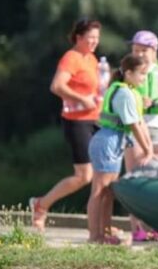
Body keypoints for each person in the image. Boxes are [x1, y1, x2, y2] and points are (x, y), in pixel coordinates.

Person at [30, 18, 104, 230]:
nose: (93, 42)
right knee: (84, 175)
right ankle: (41, 204)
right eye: (90, 38)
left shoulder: (91, 59)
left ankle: (100, 226)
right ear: (78, 37)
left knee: (102, 173)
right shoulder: (71, 57)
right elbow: (57, 86)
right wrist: (82, 99)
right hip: (77, 121)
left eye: (97, 39)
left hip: (96, 120)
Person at [86, 54, 153, 245]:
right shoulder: (123, 93)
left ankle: (104, 233)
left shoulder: (129, 91)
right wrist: (147, 150)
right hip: (107, 141)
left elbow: (139, 122)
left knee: (108, 192)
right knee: (99, 190)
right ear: (129, 73)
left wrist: (148, 148)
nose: (143, 78)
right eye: (141, 74)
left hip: (114, 142)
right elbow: (133, 124)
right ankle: (94, 236)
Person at [127, 30, 158, 241]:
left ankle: (156, 226)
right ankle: (136, 226)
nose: (138, 54)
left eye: (143, 50)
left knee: (156, 176)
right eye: (135, 50)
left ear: (154, 51)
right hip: (136, 126)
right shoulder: (128, 71)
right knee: (135, 173)